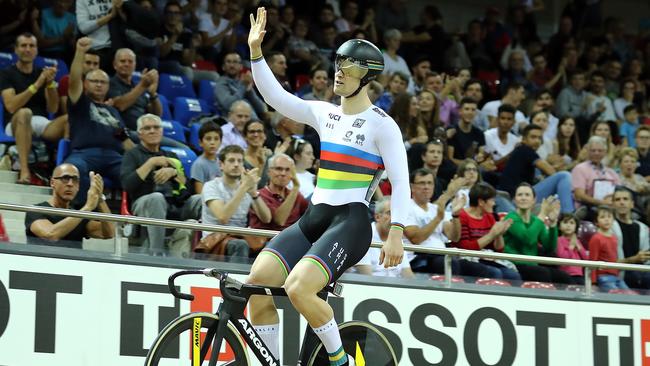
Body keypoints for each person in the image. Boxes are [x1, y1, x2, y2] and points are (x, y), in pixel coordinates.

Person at [246, 8, 410, 366]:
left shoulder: (383, 126)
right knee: (256, 284)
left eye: (347, 67)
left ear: (366, 76)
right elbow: (276, 98)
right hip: (314, 219)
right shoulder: (325, 113)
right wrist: (256, 53)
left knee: (298, 287)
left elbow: (401, 182)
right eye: (337, 64)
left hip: (350, 223)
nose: (338, 72)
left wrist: (396, 230)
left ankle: (341, 361)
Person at [120, 114, 201, 256]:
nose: (152, 131)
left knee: (200, 200)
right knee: (156, 198)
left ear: (162, 131)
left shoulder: (171, 156)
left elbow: (187, 188)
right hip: (143, 203)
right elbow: (127, 185)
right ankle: (156, 253)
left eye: (156, 127)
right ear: (140, 134)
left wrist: (174, 173)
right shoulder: (132, 155)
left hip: (175, 204)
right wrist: (151, 163)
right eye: (147, 128)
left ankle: (207, 249)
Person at [65, 37, 132, 204]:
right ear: (85, 84)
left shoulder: (114, 112)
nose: (99, 85)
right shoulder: (80, 103)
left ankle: (135, 220)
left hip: (113, 157)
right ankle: (83, 214)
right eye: (94, 81)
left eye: (103, 82)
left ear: (108, 86)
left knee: (136, 173)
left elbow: (125, 140)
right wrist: (80, 51)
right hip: (85, 154)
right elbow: (74, 80)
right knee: (75, 170)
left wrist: (140, 160)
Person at [1, 33, 66, 184]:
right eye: (23, 45)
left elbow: (53, 107)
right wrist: (37, 84)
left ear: (36, 50)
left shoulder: (42, 73)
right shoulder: (6, 73)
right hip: (16, 122)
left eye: (31, 46)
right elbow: (11, 106)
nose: (28, 49)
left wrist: (50, 84)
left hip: (41, 122)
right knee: (25, 113)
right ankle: (24, 170)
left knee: (69, 119)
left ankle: (61, 172)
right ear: (16, 50)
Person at [201, 144, 272, 259]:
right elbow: (223, 217)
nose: (236, 164)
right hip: (215, 238)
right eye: (231, 160)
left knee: (270, 247)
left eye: (239, 161)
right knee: (240, 245)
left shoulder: (245, 186)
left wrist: (254, 193)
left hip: (240, 235)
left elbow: (266, 218)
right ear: (221, 165)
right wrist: (244, 187)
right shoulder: (211, 186)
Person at [25, 163, 114, 248]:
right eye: (65, 178)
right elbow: (50, 235)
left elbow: (108, 233)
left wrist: (99, 198)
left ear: (78, 186)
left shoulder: (79, 215)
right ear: (52, 182)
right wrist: (87, 207)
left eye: (75, 180)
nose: (70, 184)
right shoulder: (36, 210)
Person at [503, 183, 571, 284]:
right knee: (542, 273)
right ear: (514, 200)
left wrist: (553, 223)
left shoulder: (535, 220)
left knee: (564, 277)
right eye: (520, 195)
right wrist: (543, 214)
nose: (523, 198)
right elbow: (528, 238)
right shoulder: (511, 218)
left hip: (532, 264)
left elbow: (549, 247)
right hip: (514, 263)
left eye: (527, 195)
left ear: (534, 200)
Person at [404, 170, 470, 275]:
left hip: (442, 255)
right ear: (412, 187)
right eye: (422, 183)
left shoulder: (435, 208)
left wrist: (456, 215)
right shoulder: (406, 207)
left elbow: (454, 237)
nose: (426, 187)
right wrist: (437, 219)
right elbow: (416, 239)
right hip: (419, 257)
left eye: (429, 183)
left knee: (489, 271)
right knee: (450, 264)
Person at [498, 124, 575, 213]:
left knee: (557, 197)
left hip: (522, 196)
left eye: (539, 138)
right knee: (564, 176)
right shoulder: (525, 150)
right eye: (533, 137)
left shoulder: (521, 151)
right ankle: (568, 214)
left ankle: (563, 215)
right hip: (516, 200)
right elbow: (551, 171)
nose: (537, 141)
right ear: (524, 139)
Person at [453, 182, 520, 280]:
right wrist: (492, 235)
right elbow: (466, 248)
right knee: (495, 273)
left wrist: (499, 234)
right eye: (492, 200)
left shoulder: (489, 216)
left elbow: (499, 249)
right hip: (466, 258)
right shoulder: (463, 216)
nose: (494, 203)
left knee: (513, 275)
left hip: (486, 257)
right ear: (481, 202)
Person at [248, 153, 309, 247]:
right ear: (268, 172)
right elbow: (280, 221)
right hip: (265, 245)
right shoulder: (261, 194)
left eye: (287, 170)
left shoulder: (296, 196)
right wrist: (296, 188)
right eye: (278, 169)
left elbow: (310, 217)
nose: (283, 173)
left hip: (291, 242)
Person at [354, 197, 413, 278]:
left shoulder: (397, 237)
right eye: (389, 213)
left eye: (397, 214)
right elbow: (367, 277)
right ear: (377, 217)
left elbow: (407, 273)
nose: (394, 219)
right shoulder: (363, 236)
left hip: (395, 286)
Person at [107, 48, 162, 132]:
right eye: (123, 61)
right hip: (124, 132)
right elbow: (120, 105)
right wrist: (142, 86)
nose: (126, 64)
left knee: (180, 145)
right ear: (115, 64)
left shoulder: (138, 86)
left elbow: (156, 115)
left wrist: (153, 94)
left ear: (135, 65)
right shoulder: (109, 83)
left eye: (130, 61)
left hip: (146, 131)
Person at [611, 187, 650, 289]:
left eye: (625, 199)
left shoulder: (642, 228)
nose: (622, 202)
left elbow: (646, 260)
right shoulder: (609, 228)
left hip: (643, 272)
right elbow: (610, 262)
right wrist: (633, 259)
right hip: (620, 273)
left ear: (632, 204)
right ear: (613, 204)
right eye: (618, 200)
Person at [572, 136, 621, 212]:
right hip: (588, 208)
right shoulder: (580, 168)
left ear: (605, 152)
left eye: (600, 150)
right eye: (593, 150)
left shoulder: (611, 172)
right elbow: (579, 195)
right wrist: (601, 203)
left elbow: (620, 192)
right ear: (588, 151)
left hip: (610, 208)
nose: (596, 153)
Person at [213, 52, 267, 117]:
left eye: (235, 62)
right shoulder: (221, 83)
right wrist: (244, 86)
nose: (232, 65)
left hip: (253, 122)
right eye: (228, 62)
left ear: (241, 67)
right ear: (223, 67)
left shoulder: (243, 81)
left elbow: (261, 109)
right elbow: (229, 105)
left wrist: (249, 91)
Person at [589, 205, 630, 291]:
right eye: (602, 217)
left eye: (609, 216)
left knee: (631, 296)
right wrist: (593, 282)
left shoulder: (614, 238)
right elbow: (592, 261)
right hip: (603, 277)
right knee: (617, 296)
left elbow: (614, 259)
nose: (607, 219)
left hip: (616, 277)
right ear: (596, 222)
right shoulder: (596, 238)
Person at [190, 121, 222, 194]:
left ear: (220, 142)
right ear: (200, 142)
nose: (212, 142)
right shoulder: (199, 164)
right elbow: (200, 194)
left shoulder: (222, 161)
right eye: (208, 139)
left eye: (216, 139)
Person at [555, 213, 588, 284]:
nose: (568, 225)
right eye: (565, 222)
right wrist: (571, 247)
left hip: (579, 275)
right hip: (566, 275)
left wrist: (579, 248)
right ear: (559, 226)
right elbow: (562, 257)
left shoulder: (577, 241)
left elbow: (586, 258)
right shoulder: (559, 240)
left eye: (572, 223)